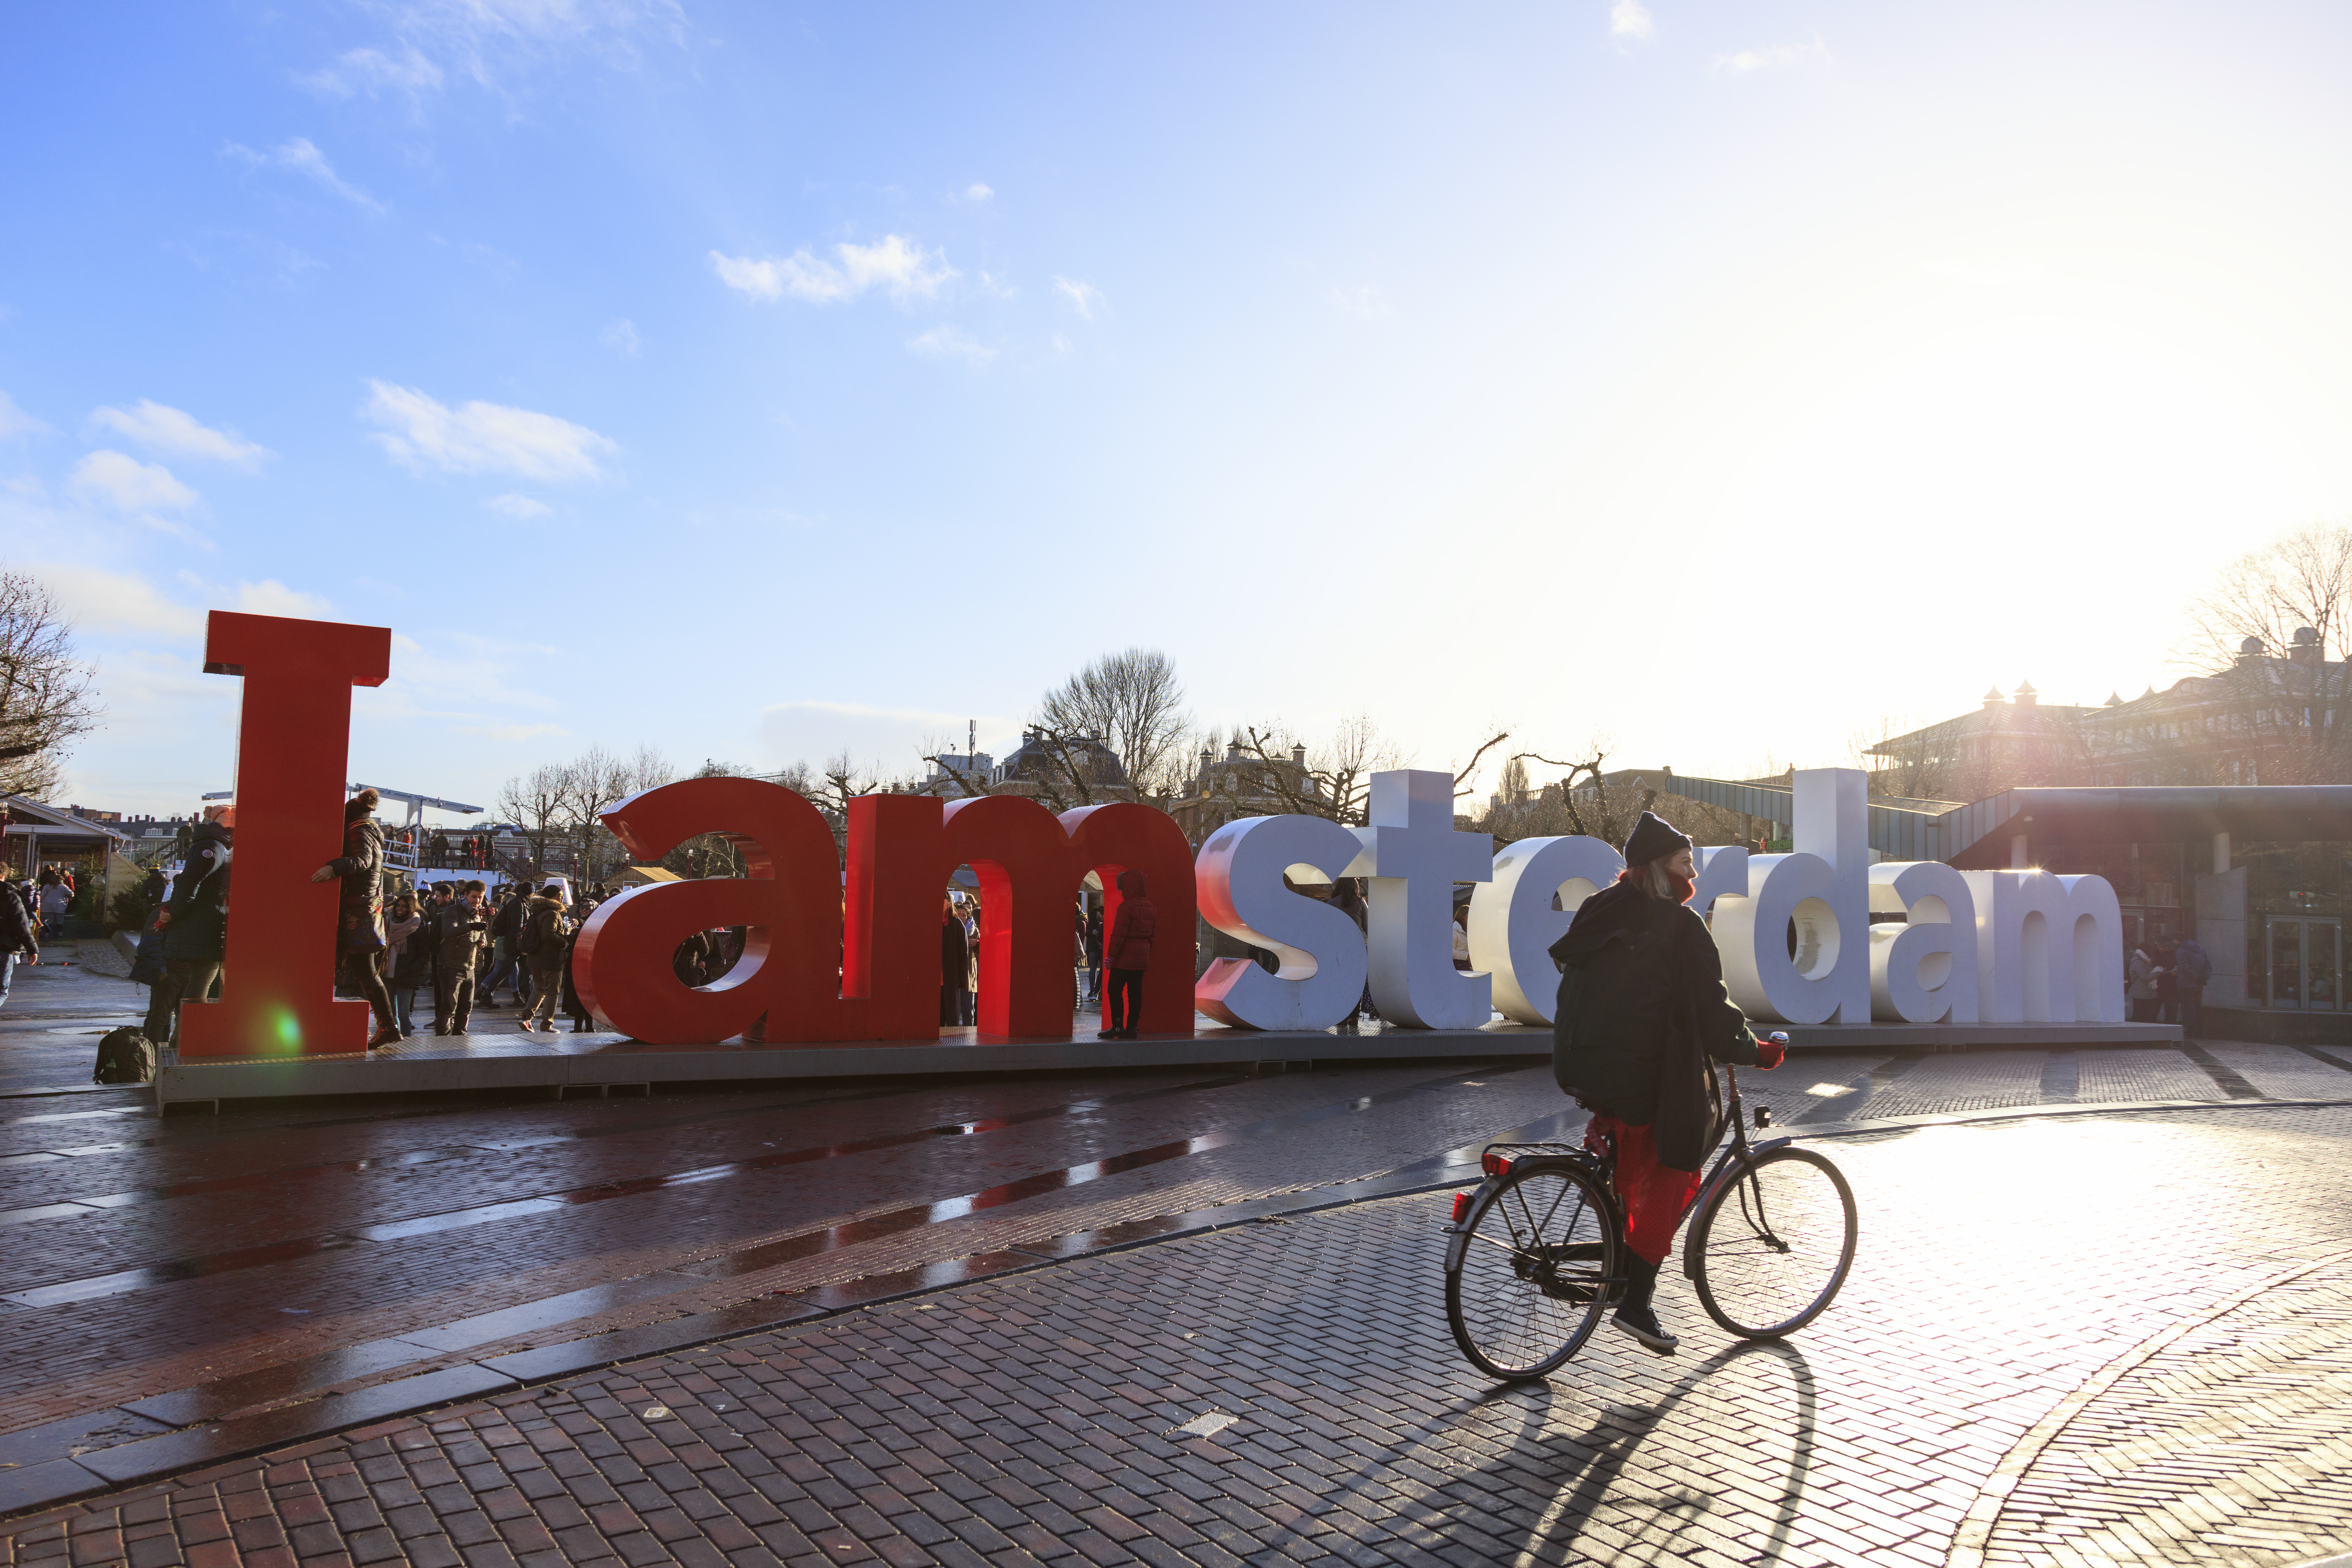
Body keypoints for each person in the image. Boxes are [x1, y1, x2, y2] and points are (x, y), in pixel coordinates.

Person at [1550, 810, 1786, 1357]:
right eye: (1685, 863)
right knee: (1675, 1169)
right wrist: (1757, 1051)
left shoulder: (1598, 907)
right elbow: (1715, 1009)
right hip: (1637, 1073)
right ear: (1659, 866)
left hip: (1579, 1059)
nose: (1693, 876)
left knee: (1626, 1142)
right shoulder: (1679, 925)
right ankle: (1636, 1302)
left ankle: (1614, 1244)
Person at [311, 789, 402, 1050]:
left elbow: (362, 860)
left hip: (357, 908)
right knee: (366, 971)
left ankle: (388, 1027)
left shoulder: (357, 829)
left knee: (363, 970)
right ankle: (388, 1027)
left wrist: (333, 868)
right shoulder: (369, 829)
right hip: (366, 907)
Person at [144, 807, 232, 1047]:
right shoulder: (213, 848)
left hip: (200, 927)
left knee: (203, 982)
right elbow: (190, 882)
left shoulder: (213, 846)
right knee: (202, 983)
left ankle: (186, 1037)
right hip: (203, 928)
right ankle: (188, 1038)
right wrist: (172, 913)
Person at [1098, 869, 1156, 1041]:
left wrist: (1111, 956)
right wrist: (1146, 953)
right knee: (1135, 993)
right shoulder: (1151, 908)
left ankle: (1117, 1026)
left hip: (1124, 958)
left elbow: (1118, 935)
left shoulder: (1126, 907)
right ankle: (1133, 1028)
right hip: (1142, 957)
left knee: (1114, 990)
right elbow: (1152, 936)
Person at [432, 879, 493, 1035]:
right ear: (466, 895)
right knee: (448, 1008)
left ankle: (459, 1043)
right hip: (450, 966)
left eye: (481, 897)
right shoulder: (453, 911)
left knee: (466, 1008)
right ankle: (442, 1045)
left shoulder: (478, 913)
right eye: (474, 897)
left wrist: (483, 942)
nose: (478, 901)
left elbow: (480, 935)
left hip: (470, 967)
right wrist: (471, 926)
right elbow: (448, 932)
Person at [517, 884, 573, 1032]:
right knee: (553, 992)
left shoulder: (539, 910)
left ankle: (526, 1018)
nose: (562, 898)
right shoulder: (553, 913)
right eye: (560, 896)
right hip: (551, 959)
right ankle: (547, 1025)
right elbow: (548, 935)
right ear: (553, 897)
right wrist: (565, 943)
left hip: (535, 958)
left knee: (540, 988)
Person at [387, 891, 428, 1038]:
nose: (400, 909)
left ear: (411, 908)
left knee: (404, 1014)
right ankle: (394, 1040)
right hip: (388, 974)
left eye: (404, 907)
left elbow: (424, 955)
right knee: (391, 1014)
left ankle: (406, 1045)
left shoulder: (419, 928)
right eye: (398, 905)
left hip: (407, 975)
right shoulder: (387, 923)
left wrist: (410, 969)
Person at [0, 871, 38, 1010]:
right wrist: (32, 949)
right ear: (3, 876)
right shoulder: (10, 896)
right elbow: (21, 925)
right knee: (1, 992)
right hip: (3, 948)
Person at [942, 896, 972, 1026]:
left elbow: (963, 955)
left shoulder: (957, 925)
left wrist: (962, 981)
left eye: (943, 901)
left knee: (951, 1019)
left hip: (950, 978)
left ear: (949, 904)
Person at [2175, 933, 2211, 1039]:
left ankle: (2191, 1032)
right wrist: (2204, 977)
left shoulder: (2181, 951)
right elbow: (2208, 965)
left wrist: (2196, 978)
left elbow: (2184, 968)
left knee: (2188, 1009)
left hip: (2186, 985)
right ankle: (2199, 1032)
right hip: (2198, 986)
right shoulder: (2201, 951)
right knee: (2197, 1008)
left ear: (2177, 941)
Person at [2127, 941, 2158, 1023]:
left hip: (2141, 992)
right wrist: (2158, 973)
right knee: (2139, 1015)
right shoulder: (2139, 962)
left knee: (2141, 1015)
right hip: (2140, 993)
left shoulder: (2142, 960)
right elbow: (2145, 978)